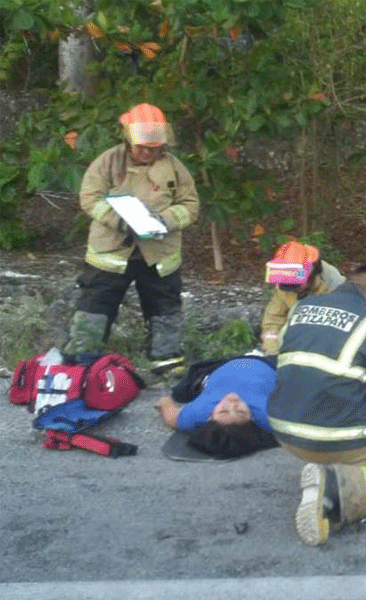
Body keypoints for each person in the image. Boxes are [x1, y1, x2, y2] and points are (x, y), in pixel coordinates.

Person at [266, 265, 366, 546]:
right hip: (330, 438)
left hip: (284, 430)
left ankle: (326, 465)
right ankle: (332, 491)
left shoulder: (303, 307)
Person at [64, 103, 200, 376]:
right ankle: (83, 356)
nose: (148, 152)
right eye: (142, 147)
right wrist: (119, 220)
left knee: (165, 306)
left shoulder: (174, 167)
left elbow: (190, 205)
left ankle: (166, 359)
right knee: (96, 303)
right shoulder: (109, 161)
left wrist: (165, 220)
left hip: (159, 254)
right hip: (112, 252)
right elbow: (90, 198)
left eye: (154, 147)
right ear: (128, 139)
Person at [155, 356, 277, 458]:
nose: (233, 402)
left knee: (181, 393)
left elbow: (171, 417)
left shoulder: (199, 412)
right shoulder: (267, 417)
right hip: (267, 364)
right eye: (241, 411)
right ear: (253, 419)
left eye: (223, 411)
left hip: (222, 365)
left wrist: (164, 401)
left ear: (209, 417)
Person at [260, 241, 345, 355]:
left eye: (296, 284)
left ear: (311, 274)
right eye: (287, 285)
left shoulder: (333, 284)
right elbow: (272, 321)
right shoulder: (284, 281)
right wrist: (272, 351)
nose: (292, 289)